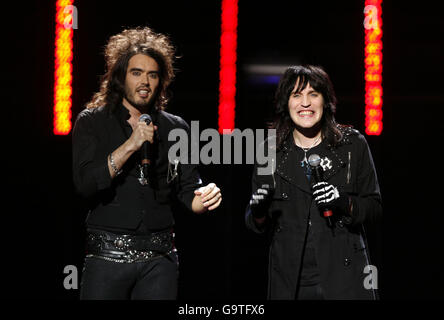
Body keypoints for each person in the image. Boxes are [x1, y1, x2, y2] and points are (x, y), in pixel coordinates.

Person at [72, 27, 222, 300]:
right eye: (136, 72)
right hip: (107, 258)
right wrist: (131, 145)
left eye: (152, 74)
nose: (145, 81)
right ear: (120, 77)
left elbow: (188, 189)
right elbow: (85, 185)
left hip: (160, 261)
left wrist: (205, 196)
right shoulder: (92, 122)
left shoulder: (176, 128)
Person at [245, 65, 382, 300]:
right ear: (285, 103)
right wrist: (258, 210)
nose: (305, 103)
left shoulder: (351, 144)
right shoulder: (269, 151)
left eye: (313, 94)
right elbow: (256, 223)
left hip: (345, 276)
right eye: (296, 95)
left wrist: (343, 201)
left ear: (325, 101)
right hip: (291, 281)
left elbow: (374, 208)